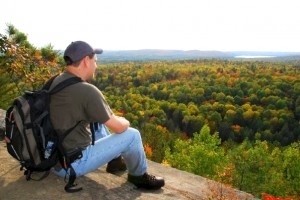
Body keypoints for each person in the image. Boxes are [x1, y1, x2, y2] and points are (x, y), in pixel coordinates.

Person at [50, 41, 165, 190]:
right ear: (86, 61)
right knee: (132, 135)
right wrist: (125, 121)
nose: (96, 66)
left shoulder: (55, 81)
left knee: (97, 123)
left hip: (53, 156)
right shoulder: (87, 91)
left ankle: (115, 162)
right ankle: (139, 176)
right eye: (95, 61)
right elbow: (119, 128)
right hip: (72, 163)